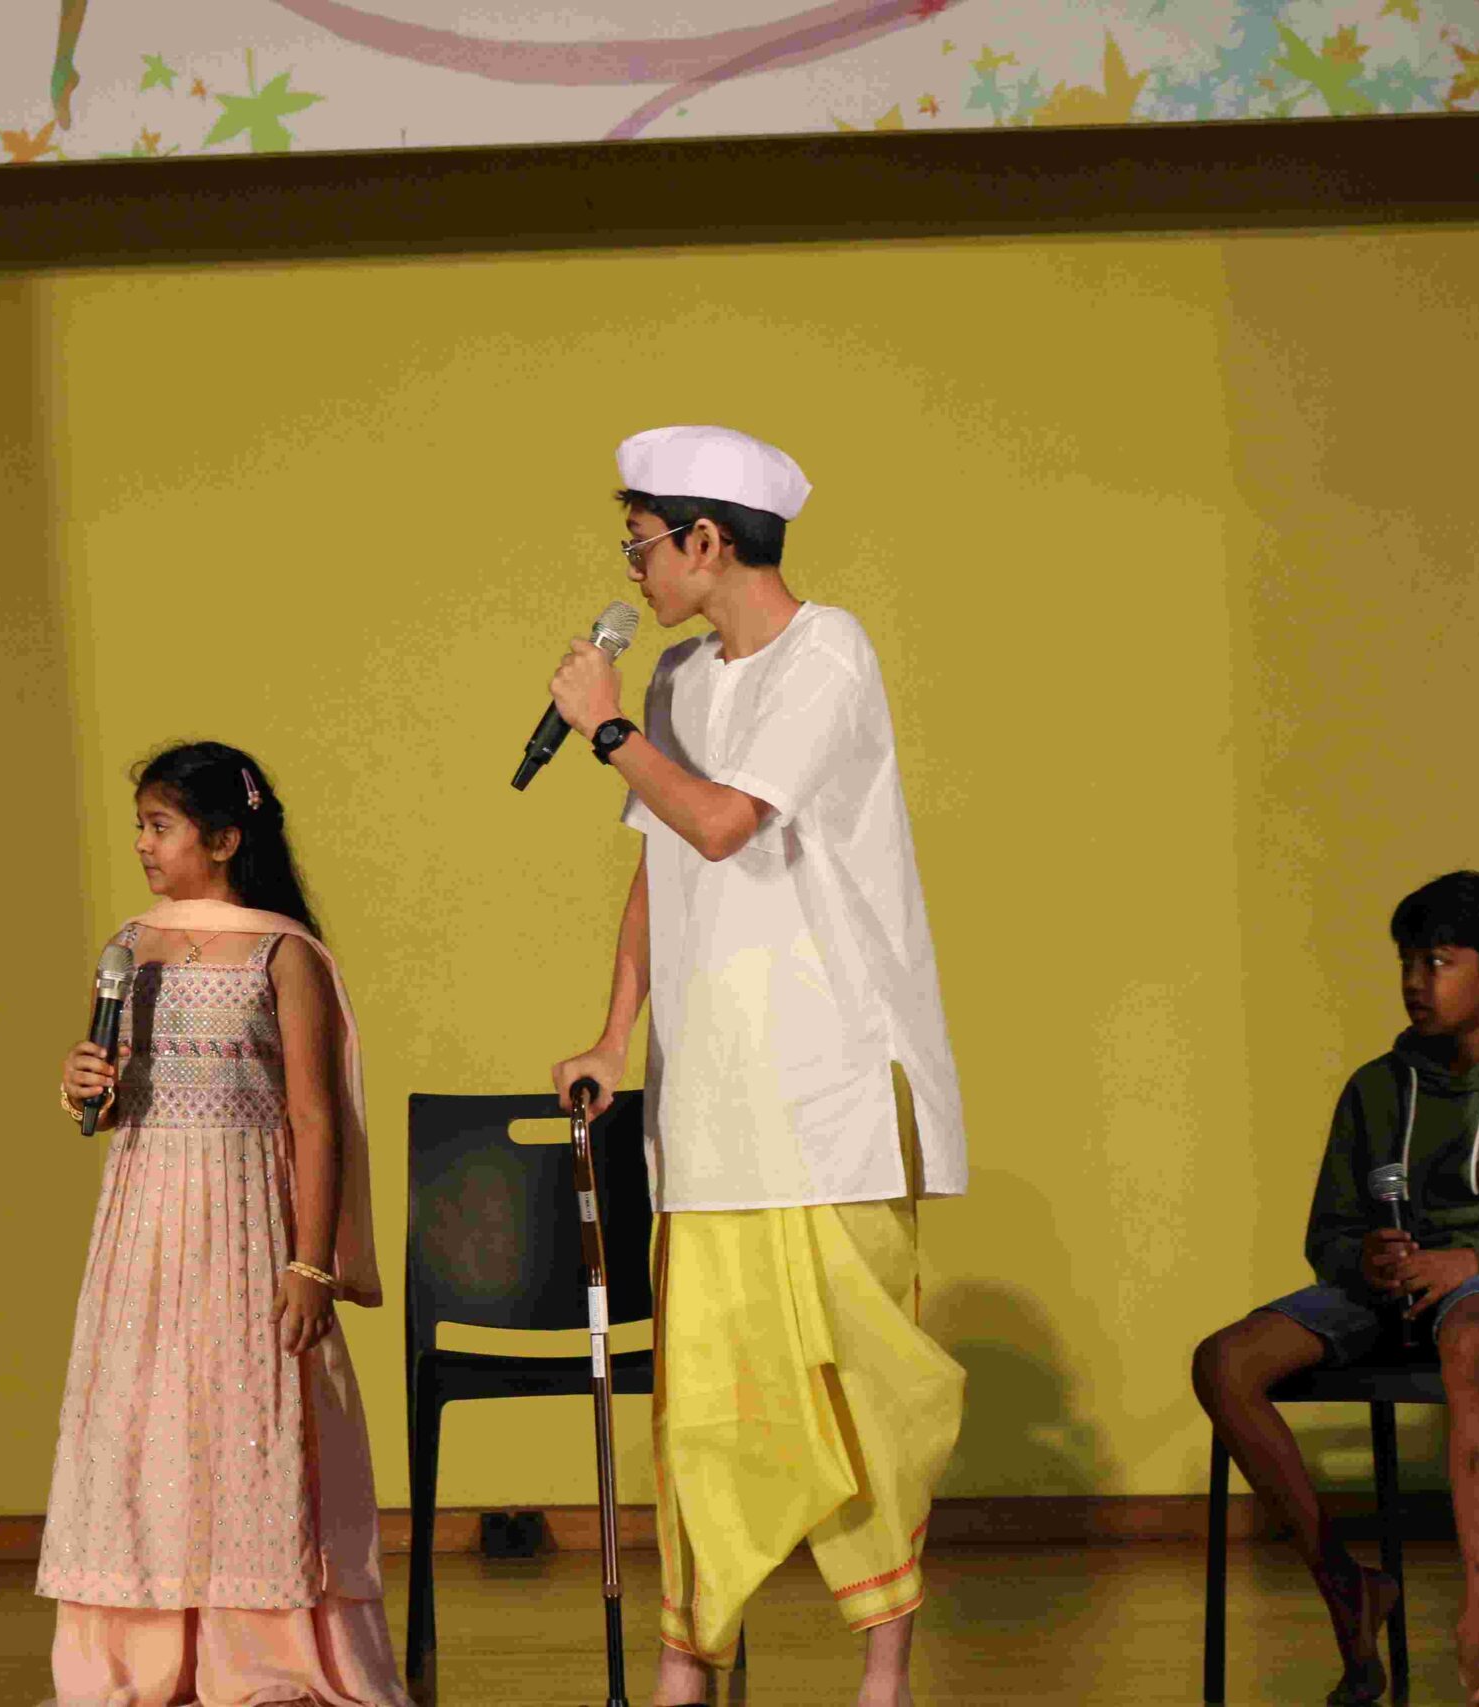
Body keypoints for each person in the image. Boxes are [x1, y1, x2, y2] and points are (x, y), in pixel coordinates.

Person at [546, 426, 969, 1707]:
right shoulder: (677, 677)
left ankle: (881, 1674)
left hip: (828, 1087)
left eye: (639, 543)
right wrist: (614, 1034)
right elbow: (662, 857)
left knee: (861, 1387)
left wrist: (606, 730)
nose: (630, 568)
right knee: (706, 1405)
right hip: (711, 1099)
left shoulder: (827, 651)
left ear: (706, 540)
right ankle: (687, 1664)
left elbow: (726, 824)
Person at [42, 741, 410, 1707]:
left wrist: (311, 1263)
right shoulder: (129, 947)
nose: (142, 844)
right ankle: (139, 1653)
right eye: (140, 825)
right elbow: (108, 1105)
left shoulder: (281, 951)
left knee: (246, 1417)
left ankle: (260, 1654)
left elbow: (315, 1118)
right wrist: (83, 1086)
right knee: (145, 1421)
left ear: (223, 839)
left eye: (159, 826)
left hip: (248, 1219)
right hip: (145, 1219)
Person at [1193, 871, 1479, 1707]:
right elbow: (1325, 1231)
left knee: (1475, 1340)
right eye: (1407, 962)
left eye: (1438, 961)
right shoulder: (1375, 1086)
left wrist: (1469, 1260)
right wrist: (1364, 1256)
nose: (1415, 981)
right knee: (1224, 1362)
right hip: (1379, 1294)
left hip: (1476, 1295)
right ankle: (1348, 1588)